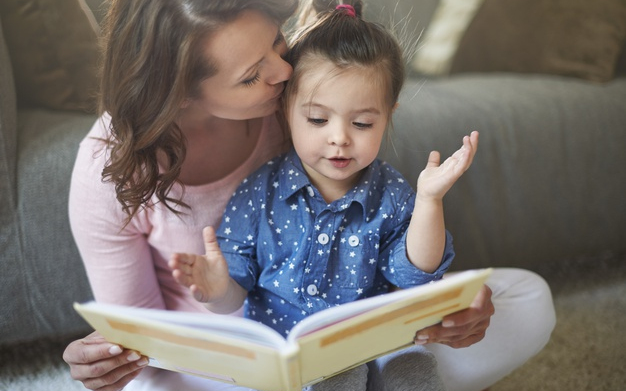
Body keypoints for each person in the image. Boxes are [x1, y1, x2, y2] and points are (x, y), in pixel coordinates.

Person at [62, 1, 556, 391]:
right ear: (180, 92)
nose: (283, 72)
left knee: (526, 297)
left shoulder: (300, 98)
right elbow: (141, 340)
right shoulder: (110, 171)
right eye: (252, 75)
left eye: (277, 43)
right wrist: (106, 363)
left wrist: (453, 308)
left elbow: (407, 266)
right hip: (229, 358)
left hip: (361, 332)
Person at [169, 2, 477, 390]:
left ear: (388, 116)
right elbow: (234, 294)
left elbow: (415, 276)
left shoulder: (393, 194)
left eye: (363, 123)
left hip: (377, 341)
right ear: (285, 111)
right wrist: (216, 291)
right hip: (291, 356)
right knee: (335, 375)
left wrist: (429, 201)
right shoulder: (258, 193)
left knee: (414, 367)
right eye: (317, 119)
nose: (339, 138)